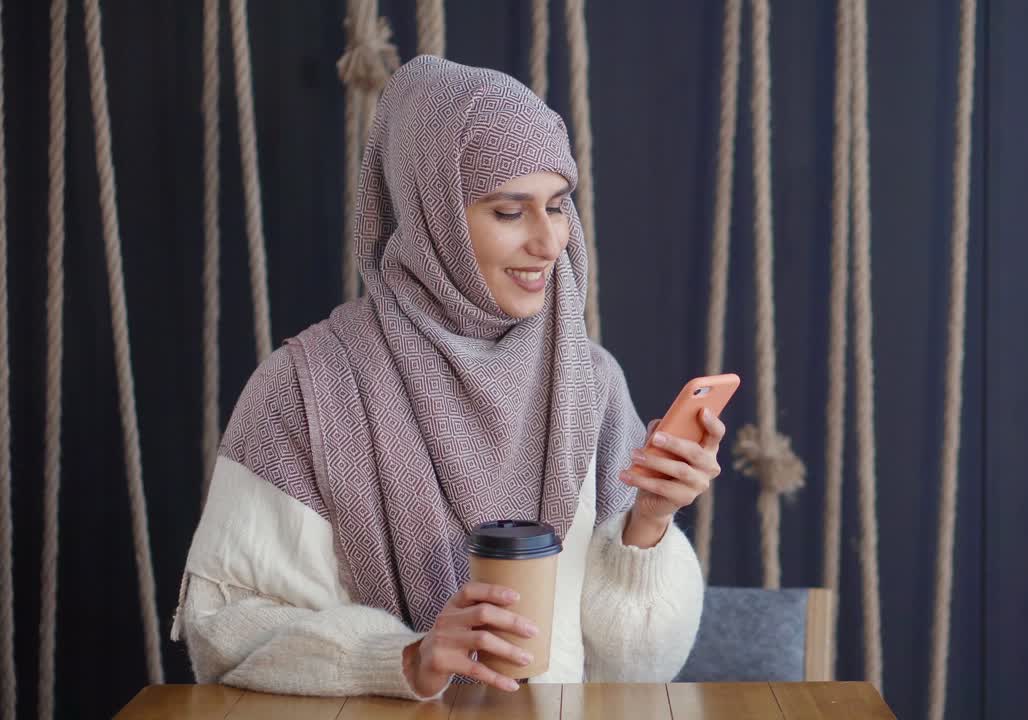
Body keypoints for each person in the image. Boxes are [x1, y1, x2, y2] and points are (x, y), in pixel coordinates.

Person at [170, 56, 724, 700]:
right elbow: (225, 631)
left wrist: (649, 524)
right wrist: (404, 658)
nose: (550, 243)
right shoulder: (306, 387)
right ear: (433, 216)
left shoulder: (588, 381)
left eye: (557, 205)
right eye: (510, 212)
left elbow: (632, 670)